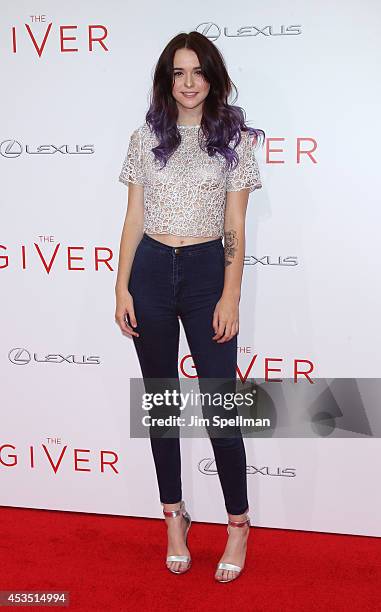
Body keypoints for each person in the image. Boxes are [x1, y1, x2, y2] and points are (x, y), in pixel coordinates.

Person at [115, 31, 264, 583]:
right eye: (178, 73)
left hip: (206, 275)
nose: (189, 83)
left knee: (221, 409)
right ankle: (174, 517)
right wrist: (121, 286)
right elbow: (133, 219)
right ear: (166, 80)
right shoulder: (145, 137)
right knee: (162, 406)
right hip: (151, 268)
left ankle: (238, 524)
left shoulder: (235, 141)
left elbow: (235, 228)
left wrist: (230, 294)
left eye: (198, 72)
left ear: (213, 77)